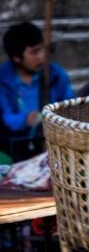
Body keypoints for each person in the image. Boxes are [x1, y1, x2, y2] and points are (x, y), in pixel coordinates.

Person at [0, 22, 73, 161]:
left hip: (52, 146)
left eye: (42, 50)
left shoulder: (56, 75)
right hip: (13, 148)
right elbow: (6, 118)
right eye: (34, 52)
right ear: (17, 58)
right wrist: (26, 119)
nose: (41, 56)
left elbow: (70, 107)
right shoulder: (3, 79)